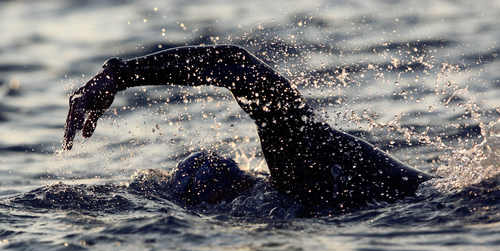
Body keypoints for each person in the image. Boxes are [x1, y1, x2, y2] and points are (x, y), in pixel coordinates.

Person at [64, 44, 434, 210]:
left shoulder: (304, 172)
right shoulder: (315, 171)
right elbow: (242, 67)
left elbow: (240, 66)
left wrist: (121, 76)